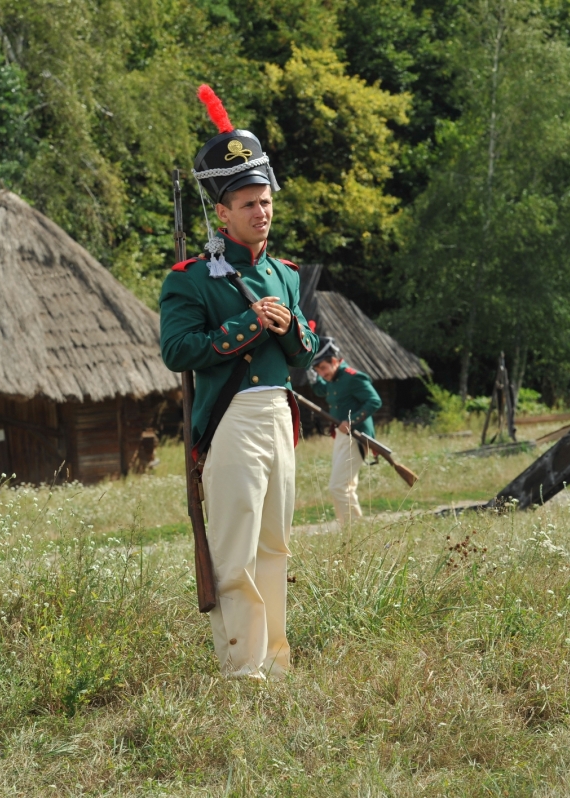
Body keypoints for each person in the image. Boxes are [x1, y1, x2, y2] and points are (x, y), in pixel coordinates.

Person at [159, 85, 318, 680]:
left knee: (275, 546)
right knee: (236, 551)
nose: (262, 211)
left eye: (266, 199)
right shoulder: (190, 279)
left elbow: (304, 353)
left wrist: (287, 322)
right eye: (247, 203)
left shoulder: (285, 274)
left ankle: (274, 664)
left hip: (279, 413)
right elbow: (177, 350)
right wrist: (244, 326)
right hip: (230, 420)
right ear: (221, 212)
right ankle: (241, 670)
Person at [310, 336, 383, 523]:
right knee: (346, 486)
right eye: (318, 370)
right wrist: (313, 377)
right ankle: (349, 528)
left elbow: (374, 400)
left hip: (356, 435)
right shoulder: (335, 378)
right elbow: (323, 391)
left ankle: (355, 527)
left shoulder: (352, 377)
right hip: (342, 436)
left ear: (334, 361)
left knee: (338, 486)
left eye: (323, 368)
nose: (322, 373)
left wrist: (351, 421)